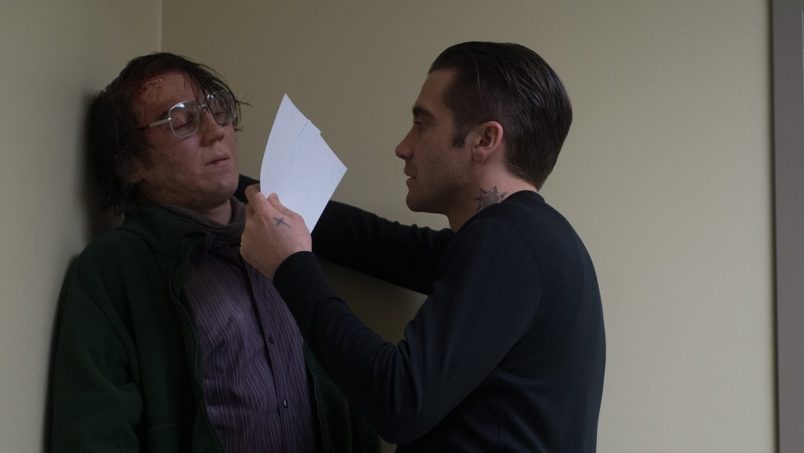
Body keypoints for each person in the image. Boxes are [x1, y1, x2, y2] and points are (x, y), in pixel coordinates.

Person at [239, 41, 606, 452]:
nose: (403, 147)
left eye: (422, 124)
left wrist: (290, 265)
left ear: (485, 139)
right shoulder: (526, 238)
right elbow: (377, 244)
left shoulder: (508, 242)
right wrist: (236, 191)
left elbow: (397, 402)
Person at [49, 52, 377, 453]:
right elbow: (93, 433)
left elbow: (344, 377)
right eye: (181, 119)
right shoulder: (114, 268)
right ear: (131, 165)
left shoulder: (284, 233)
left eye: (216, 108)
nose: (215, 131)